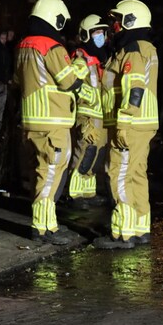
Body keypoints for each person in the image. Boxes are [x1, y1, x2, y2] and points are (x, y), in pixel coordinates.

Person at [14, 0, 96, 245]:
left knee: (39, 174)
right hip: (54, 121)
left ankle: (49, 225)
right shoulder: (51, 46)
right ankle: (41, 228)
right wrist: (84, 81)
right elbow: (68, 81)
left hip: (31, 121)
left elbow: (17, 80)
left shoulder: (23, 45)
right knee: (50, 175)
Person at [97, 0, 159, 249]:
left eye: (118, 21)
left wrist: (123, 122)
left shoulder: (131, 50)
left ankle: (124, 233)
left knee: (120, 175)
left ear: (130, 22)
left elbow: (134, 87)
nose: (114, 26)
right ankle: (140, 229)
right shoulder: (144, 47)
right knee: (136, 175)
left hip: (129, 125)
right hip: (142, 123)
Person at [66, 15, 109, 207]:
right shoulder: (81, 60)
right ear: (86, 35)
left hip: (100, 116)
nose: (101, 36)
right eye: (96, 32)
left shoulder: (99, 59)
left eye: (102, 32)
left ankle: (88, 192)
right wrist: (89, 97)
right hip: (87, 115)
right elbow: (71, 84)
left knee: (97, 154)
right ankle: (74, 194)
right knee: (84, 153)